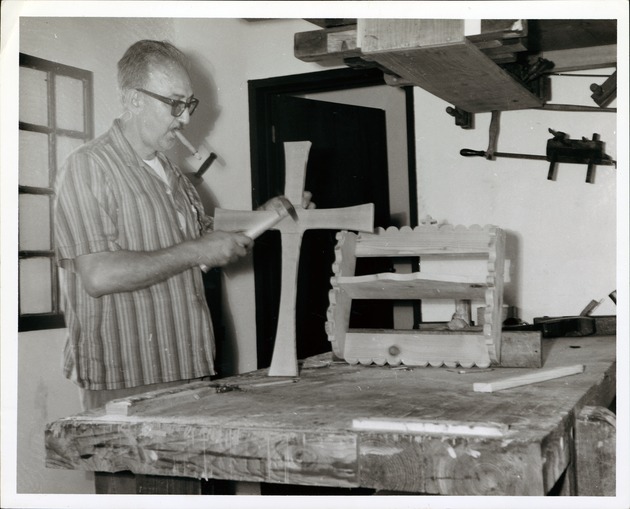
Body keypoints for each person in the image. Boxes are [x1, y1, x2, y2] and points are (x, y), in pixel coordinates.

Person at [54, 40, 310, 412]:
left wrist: (265, 217)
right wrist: (196, 251)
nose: (186, 118)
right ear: (133, 99)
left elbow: (201, 245)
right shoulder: (87, 167)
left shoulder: (170, 171)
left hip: (188, 366)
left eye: (188, 104)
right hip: (126, 378)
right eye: (174, 103)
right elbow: (99, 274)